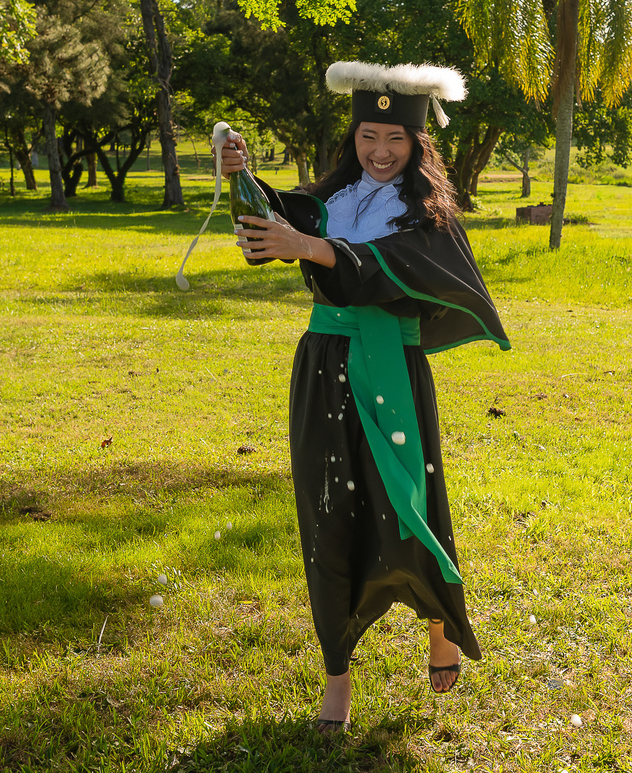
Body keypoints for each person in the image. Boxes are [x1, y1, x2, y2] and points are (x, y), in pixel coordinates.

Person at [218, 61, 510, 733]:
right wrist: (239, 173)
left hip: (393, 373)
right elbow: (273, 228)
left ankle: (439, 623)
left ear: (418, 144)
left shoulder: (427, 215)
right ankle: (337, 676)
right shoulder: (329, 202)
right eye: (368, 136)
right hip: (324, 368)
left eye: (396, 140)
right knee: (328, 516)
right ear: (352, 137)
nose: (380, 151)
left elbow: (396, 273)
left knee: (408, 505)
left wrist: (310, 247)